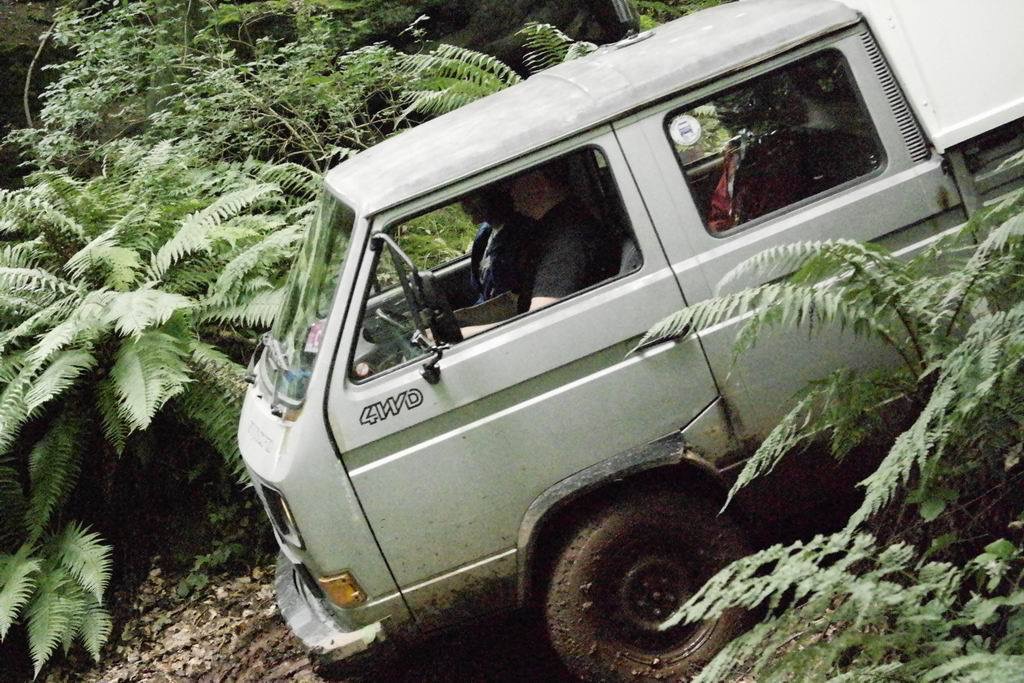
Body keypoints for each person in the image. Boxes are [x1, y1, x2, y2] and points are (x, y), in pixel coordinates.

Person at [461, 164, 617, 337]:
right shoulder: (550, 227)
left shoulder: (568, 239)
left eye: (511, 183)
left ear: (538, 183)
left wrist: (462, 335)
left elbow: (542, 322)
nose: (507, 192)